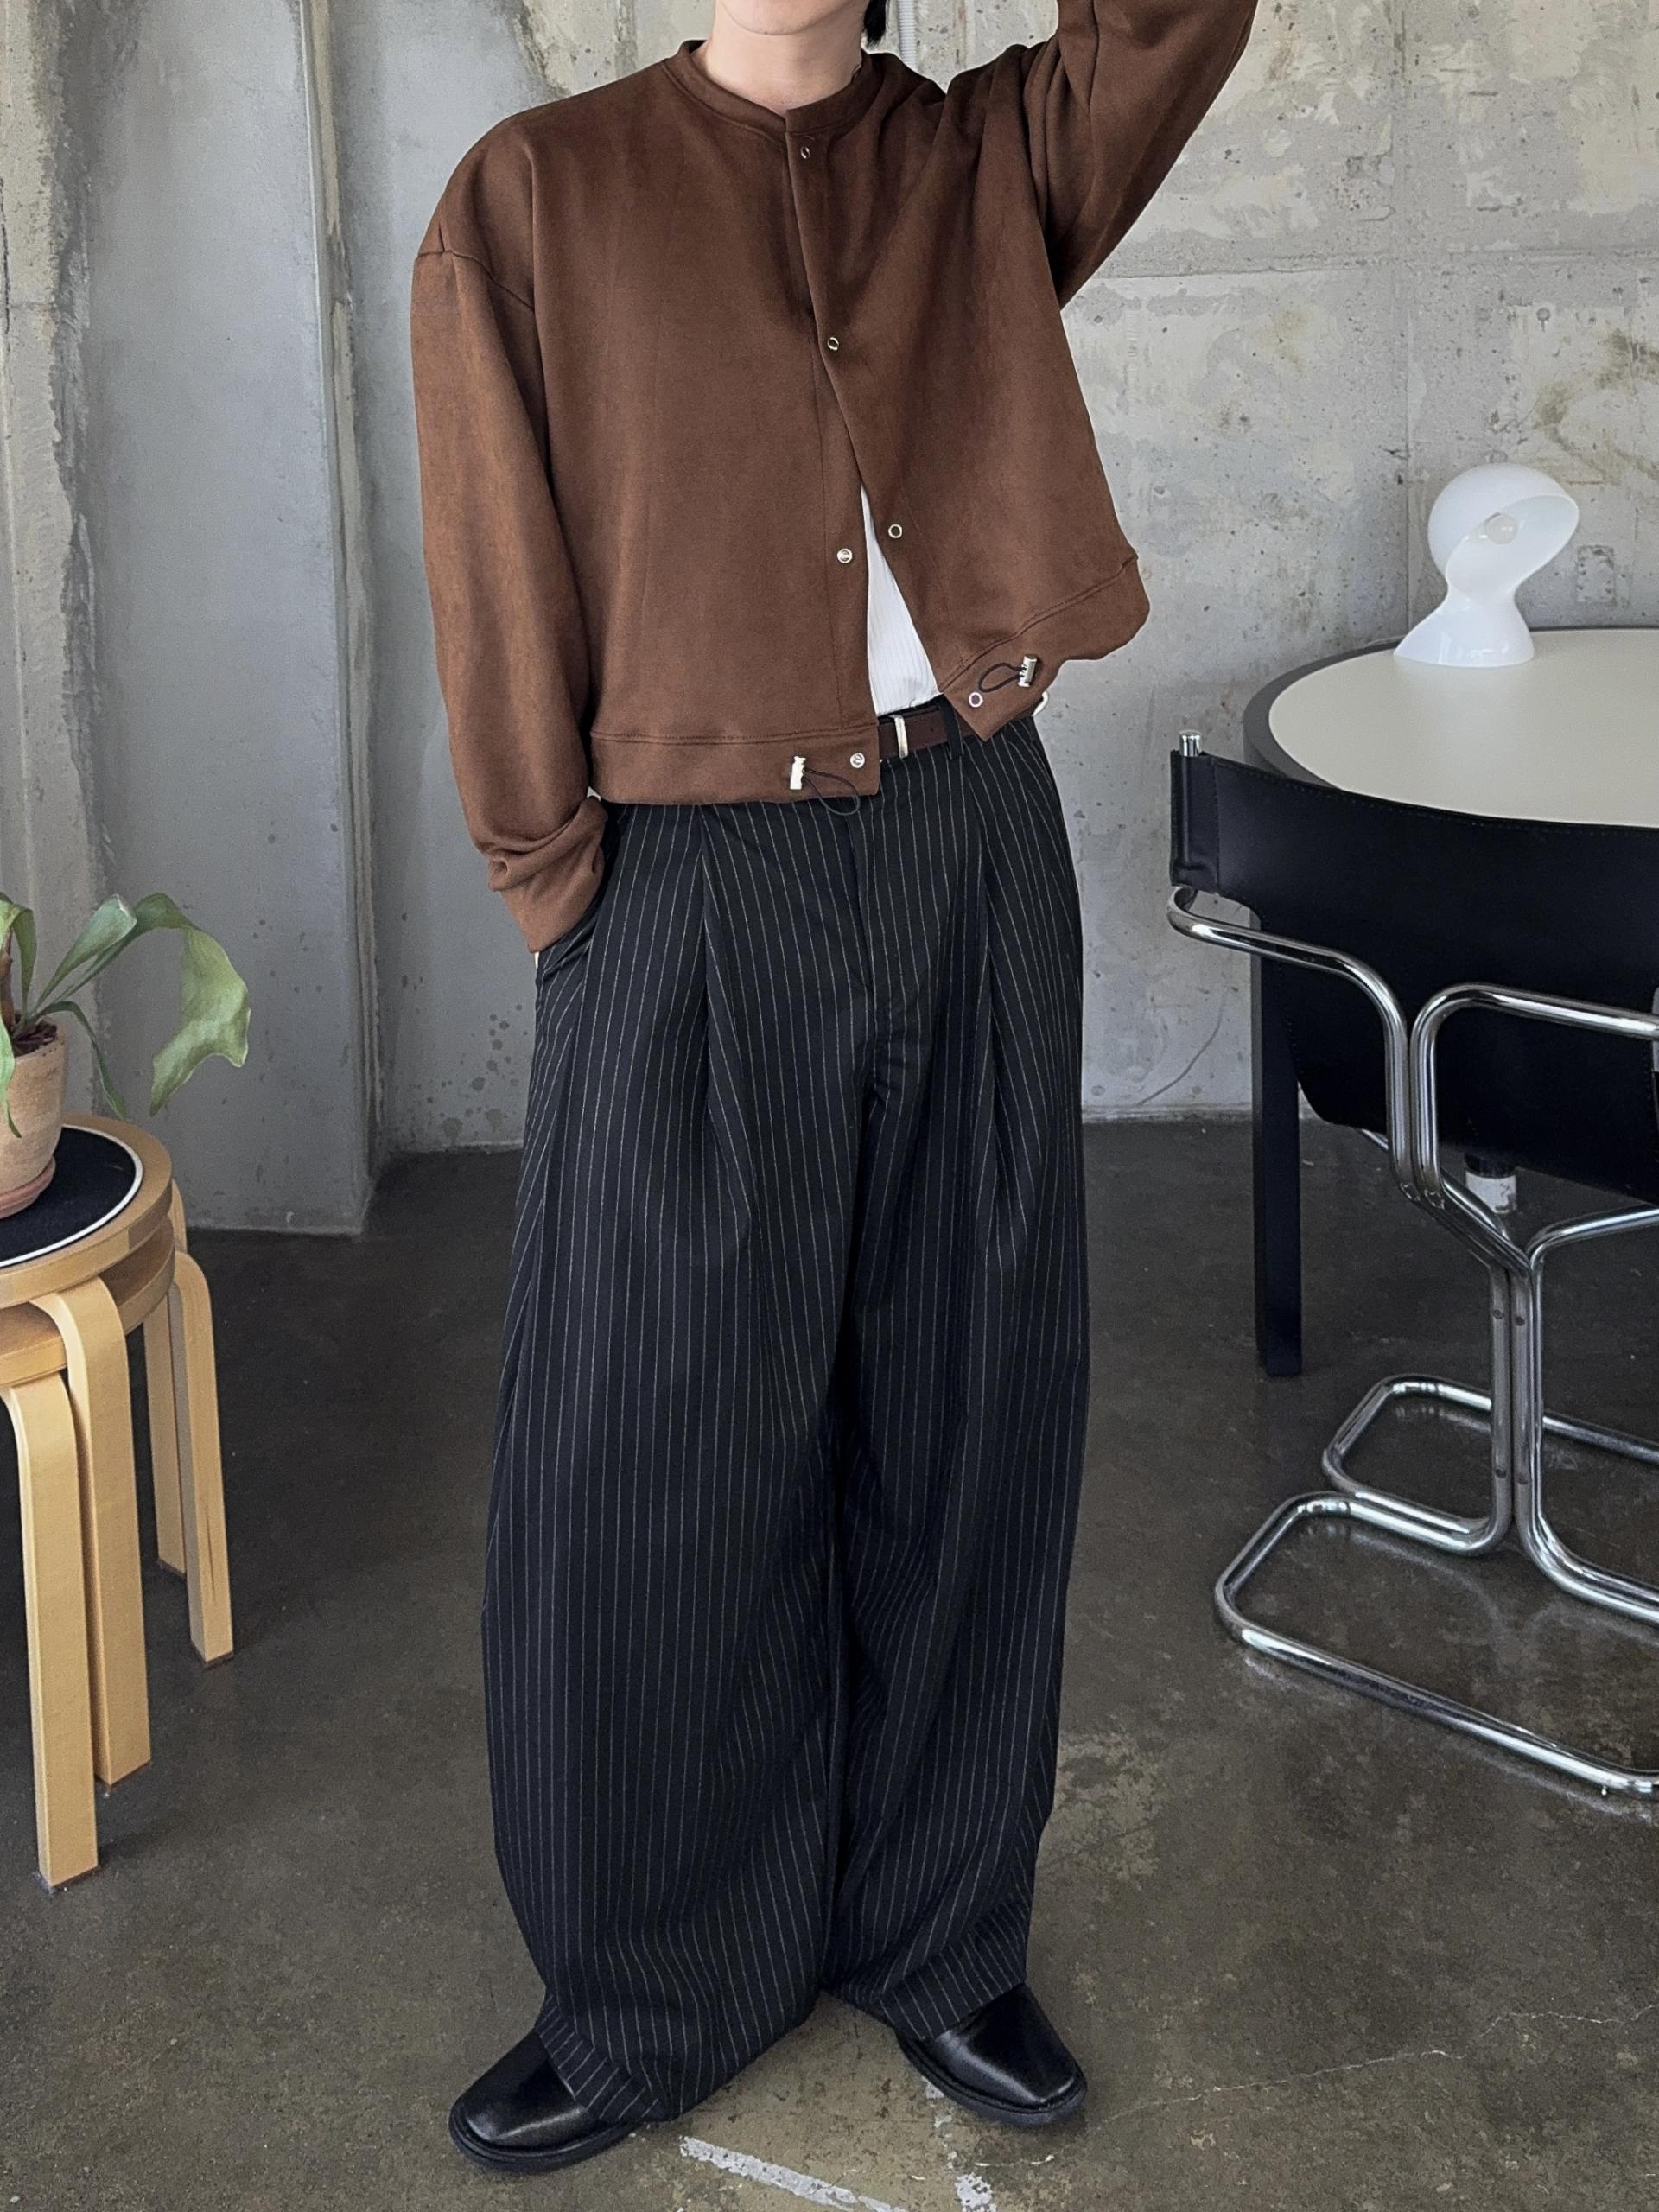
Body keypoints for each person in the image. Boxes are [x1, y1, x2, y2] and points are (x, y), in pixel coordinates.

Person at [410, 0, 1255, 2176]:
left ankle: (942, 1932)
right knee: (649, 1450)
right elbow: (494, 571)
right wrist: (563, 885)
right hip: (680, 876)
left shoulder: (987, 157)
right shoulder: (537, 194)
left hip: (964, 842)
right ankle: (648, 1981)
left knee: (974, 1410)